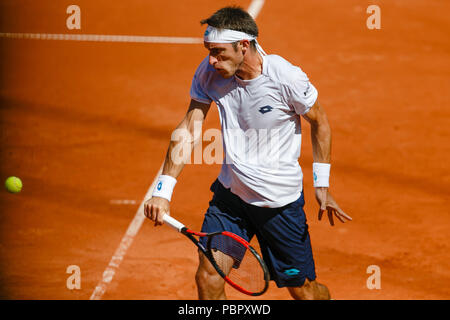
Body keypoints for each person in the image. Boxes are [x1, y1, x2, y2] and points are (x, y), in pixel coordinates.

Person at [144, 6, 352, 300]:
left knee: (305, 293)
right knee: (209, 278)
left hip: (278, 206)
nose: (211, 60)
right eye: (209, 51)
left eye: (218, 52)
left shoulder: (284, 77)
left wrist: (322, 183)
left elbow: (320, 121)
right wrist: (163, 190)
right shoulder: (209, 73)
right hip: (231, 202)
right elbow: (190, 127)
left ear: (244, 46)